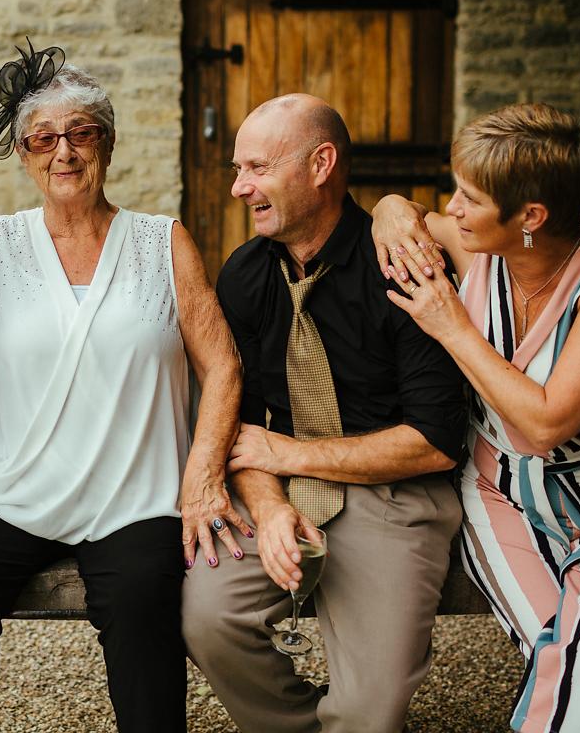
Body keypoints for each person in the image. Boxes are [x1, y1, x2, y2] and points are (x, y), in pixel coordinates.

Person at [0, 42, 246, 733]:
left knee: (146, 600)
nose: (63, 151)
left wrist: (203, 476)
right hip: (8, 486)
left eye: (81, 133)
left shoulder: (163, 242)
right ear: (25, 154)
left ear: (108, 143)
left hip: (135, 492)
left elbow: (222, 367)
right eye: (43, 138)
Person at [371, 102, 580, 732]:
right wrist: (390, 206)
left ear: (530, 217)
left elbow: (544, 425)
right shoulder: (470, 243)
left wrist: (451, 325)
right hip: (494, 495)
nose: (451, 209)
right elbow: (406, 215)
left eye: (469, 197)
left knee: (571, 664)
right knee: (579, 665)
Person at [181, 93, 467, 733]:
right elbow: (243, 423)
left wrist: (289, 455)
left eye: (255, 168)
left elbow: (435, 441)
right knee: (208, 617)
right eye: (236, 170)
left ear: (321, 164)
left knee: (370, 710)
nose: (237, 187)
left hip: (395, 492)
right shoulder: (246, 274)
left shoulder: (403, 264)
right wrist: (271, 503)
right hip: (279, 486)